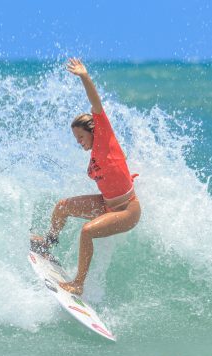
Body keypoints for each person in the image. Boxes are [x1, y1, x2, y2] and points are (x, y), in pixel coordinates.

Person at [31, 58, 141, 296]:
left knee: (87, 231)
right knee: (62, 207)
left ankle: (78, 283)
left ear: (93, 131)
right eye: (76, 139)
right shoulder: (93, 158)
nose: (78, 142)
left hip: (127, 211)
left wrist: (84, 76)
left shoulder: (105, 138)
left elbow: (96, 104)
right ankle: (47, 244)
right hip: (106, 205)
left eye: (81, 137)